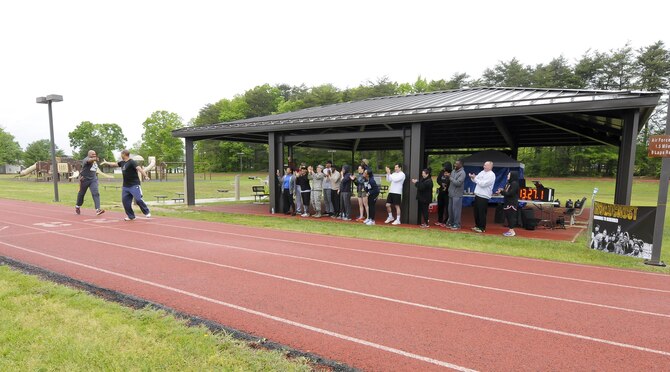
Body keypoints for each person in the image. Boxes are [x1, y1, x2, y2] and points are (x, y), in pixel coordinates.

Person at [100, 150, 151, 221]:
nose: (120, 155)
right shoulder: (122, 162)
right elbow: (114, 164)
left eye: (121, 154)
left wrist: (145, 176)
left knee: (138, 199)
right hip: (126, 186)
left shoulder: (132, 162)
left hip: (134, 184)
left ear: (124, 154)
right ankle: (131, 216)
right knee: (125, 202)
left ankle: (146, 212)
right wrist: (106, 162)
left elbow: (139, 169)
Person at [75, 150, 105, 216]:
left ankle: (98, 209)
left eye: (95, 154)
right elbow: (89, 161)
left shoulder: (94, 162)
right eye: (92, 154)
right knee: (81, 194)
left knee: (96, 193)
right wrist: (94, 158)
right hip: (84, 179)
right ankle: (78, 206)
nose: (94, 155)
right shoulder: (86, 160)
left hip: (93, 179)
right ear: (89, 154)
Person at [469, 161, 495, 233]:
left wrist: (476, 179)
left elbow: (483, 184)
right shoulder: (482, 172)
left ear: (490, 166)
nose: (484, 166)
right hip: (477, 194)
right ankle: (477, 225)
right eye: (484, 165)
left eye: (486, 165)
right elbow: (476, 180)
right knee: (476, 212)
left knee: (482, 212)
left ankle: (482, 227)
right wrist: (473, 177)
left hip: (484, 196)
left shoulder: (491, 175)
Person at [499, 170, 520, 237]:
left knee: (511, 217)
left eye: (509, 175)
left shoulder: (515, 184)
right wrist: (501, 191)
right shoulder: (508, 183)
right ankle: (510, 230)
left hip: (512, 203)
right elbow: (506, 192)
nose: (507, 176)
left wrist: (502, 192)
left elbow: (510, 193)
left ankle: (512, 231)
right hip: (507, 202)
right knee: (508, 216)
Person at [447, 160, 465, 230]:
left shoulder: (462, 173)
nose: (455, 165)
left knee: (456, 210)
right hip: (451, 193)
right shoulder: (453, 171)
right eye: (455, 164)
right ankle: (451, 222)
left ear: (461, 165)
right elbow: (451, 181)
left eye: (457, 164)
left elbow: (458, 183)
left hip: (457, 194)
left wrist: (450, 177)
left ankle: (457, 224)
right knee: (450, 209)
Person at [435, 162, 451, 226]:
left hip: (447, 193)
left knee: (447, 208)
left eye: (444, 166)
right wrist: (441, 184)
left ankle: (446, 221)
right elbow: (438, 179)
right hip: (441, 191)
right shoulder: (441, 172)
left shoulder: (451, 173)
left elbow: (451, 181)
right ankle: (440, 220)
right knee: (440, 206)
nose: (443, 168)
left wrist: (447, 185)